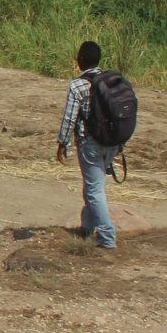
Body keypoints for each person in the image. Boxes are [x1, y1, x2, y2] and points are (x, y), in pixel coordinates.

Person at [57, 40, 118, 249]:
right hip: (111, 143)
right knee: (94, 187)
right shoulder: (112, 80)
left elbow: (69, 118)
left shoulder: (77, 85)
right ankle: (88, 226)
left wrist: (62, 142)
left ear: (80, 61)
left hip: (89, 143)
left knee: (94, 191)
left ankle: (107, 238)